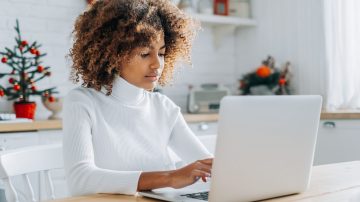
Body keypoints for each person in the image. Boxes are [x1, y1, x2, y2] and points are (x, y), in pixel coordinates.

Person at [63, 0, 213, 196]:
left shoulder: (163, 107)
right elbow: (80, 179)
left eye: (161, 53)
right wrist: (169, 177)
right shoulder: (82, 102)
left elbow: (205, 163)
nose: (157, 65)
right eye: (144, 54)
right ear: (113, 54)